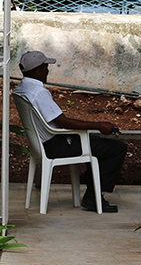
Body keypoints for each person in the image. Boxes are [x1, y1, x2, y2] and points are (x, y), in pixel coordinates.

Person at [14, 50, 128, 213]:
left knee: (96, 144)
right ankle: (93, 197)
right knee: (116, 148)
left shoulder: (22, 89)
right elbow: (62, 121)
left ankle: (91, 182)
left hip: (42, 144)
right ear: (38, 70)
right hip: (56, 145)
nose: (48, 70)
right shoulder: (39, 92)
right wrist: (99, 125)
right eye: (46, 67)